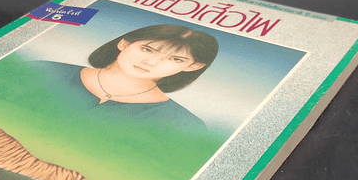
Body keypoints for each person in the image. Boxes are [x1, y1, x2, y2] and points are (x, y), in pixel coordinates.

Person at [29, 23, 219, 131]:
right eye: (147, 49)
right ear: (124, 44)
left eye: (175, 59)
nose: (151, 62)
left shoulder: (183, 124)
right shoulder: (41, 71)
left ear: (193, 66)